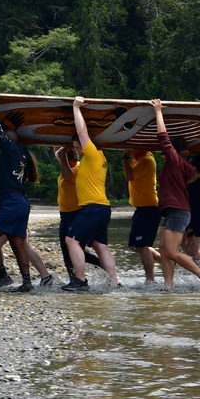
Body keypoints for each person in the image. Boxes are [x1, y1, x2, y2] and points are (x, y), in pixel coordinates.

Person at [0, 91, 41, 292]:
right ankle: (27, 282)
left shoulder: (11, 149)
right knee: (18, 244)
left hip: (12, 203)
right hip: (21, 203)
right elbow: (3, 134)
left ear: (9, 139)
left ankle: (3, 275)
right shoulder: (22, 152)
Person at [151, 98, 200, 291]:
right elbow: (194, 175)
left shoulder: (175, 160)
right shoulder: (182, 165)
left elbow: (163, 137)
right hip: (172, 211)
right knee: (163, 249)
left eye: (165, 152)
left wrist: (158, 111)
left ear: (172, 152)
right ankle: (168, 285)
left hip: (178, 211)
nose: (162, 153)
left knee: (171, 250)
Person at [61, 96, 120, 292]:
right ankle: (113, 281)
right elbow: (64, 153)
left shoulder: (93, 153)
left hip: (94, 207)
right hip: (102, 208)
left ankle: (80, 280)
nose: (76, 151)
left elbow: (82, 131)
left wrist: (76, 107)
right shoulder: (94, 158)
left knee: (71, 240)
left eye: (77, 147)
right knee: (99, 245)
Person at [54, 146, 101, 280]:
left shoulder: (78, 169)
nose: (60, 163)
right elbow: (58, 152)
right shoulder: (68, 167)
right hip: (65, 215)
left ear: (71, 160)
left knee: (76, 249)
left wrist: (63, 154)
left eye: (61, 160)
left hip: (76, 214)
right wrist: (61, 145)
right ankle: (73, 278)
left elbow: (67, 175)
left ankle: (104, 268)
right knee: (65, 250)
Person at [123, 149, 161, 284]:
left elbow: (129, 176)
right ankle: (166, 260)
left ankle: (150, 279)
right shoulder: (137, 159)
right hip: (141, 208)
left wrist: (124, 158)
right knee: (134, 245)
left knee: (143, 245)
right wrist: (128, 158)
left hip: (149, 207)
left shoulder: (146, 160)